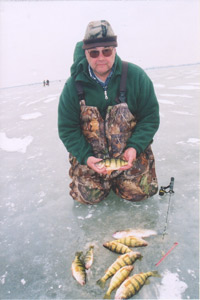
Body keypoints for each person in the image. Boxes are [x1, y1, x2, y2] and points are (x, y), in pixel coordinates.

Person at [58, 20, 160, 205]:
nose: (101, 57)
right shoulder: (72, 86)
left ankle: (125, 179)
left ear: (115, 49)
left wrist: (134, 148)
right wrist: (86, 157)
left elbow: (150, 118)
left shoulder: (136, 77)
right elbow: (67, 129)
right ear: (86, 53)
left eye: (107, 50)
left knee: (140, 192)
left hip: (129, 157)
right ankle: (98, 181)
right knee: (87, 198)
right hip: (92, 159)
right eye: (94, 52)